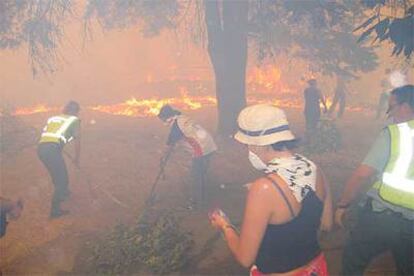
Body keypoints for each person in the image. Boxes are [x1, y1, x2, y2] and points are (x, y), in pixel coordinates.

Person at [209, 104, 333, 275]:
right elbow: (326, 224)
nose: (248, 150)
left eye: (247, 145)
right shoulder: (315, 169)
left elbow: (245, 258)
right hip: (315, 268)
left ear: (258, 144)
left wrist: (225, 226)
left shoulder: (265, 188)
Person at [335, 85, 414, 276]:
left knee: (352, 261)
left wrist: (343, 205)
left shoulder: (395, 134)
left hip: (382, 218)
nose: (390, 115)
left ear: (405, 107)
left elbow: (362, 174)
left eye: (391, 108)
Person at [158, 104, 217, 210]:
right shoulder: (182, 119)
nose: (163, 122)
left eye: (163, 119)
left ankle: (197, 203)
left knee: (196, 176)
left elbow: (170, 144)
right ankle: (204, 195)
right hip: (210, 144)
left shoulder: (176, 127)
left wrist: (163, 156)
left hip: (201, 149)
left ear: (167, 117)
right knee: (201, 173)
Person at [37, 101, 81, 218]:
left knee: (58, 175)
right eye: (77, 111)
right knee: (62, 180)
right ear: (74, 111)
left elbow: (48, 134)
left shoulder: (54, 118)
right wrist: (76, 158)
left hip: (42, 149)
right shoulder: (74, 120)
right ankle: (55, 211)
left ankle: (64, 193)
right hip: (52, 150)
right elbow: (78, 141)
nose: (77, 114)